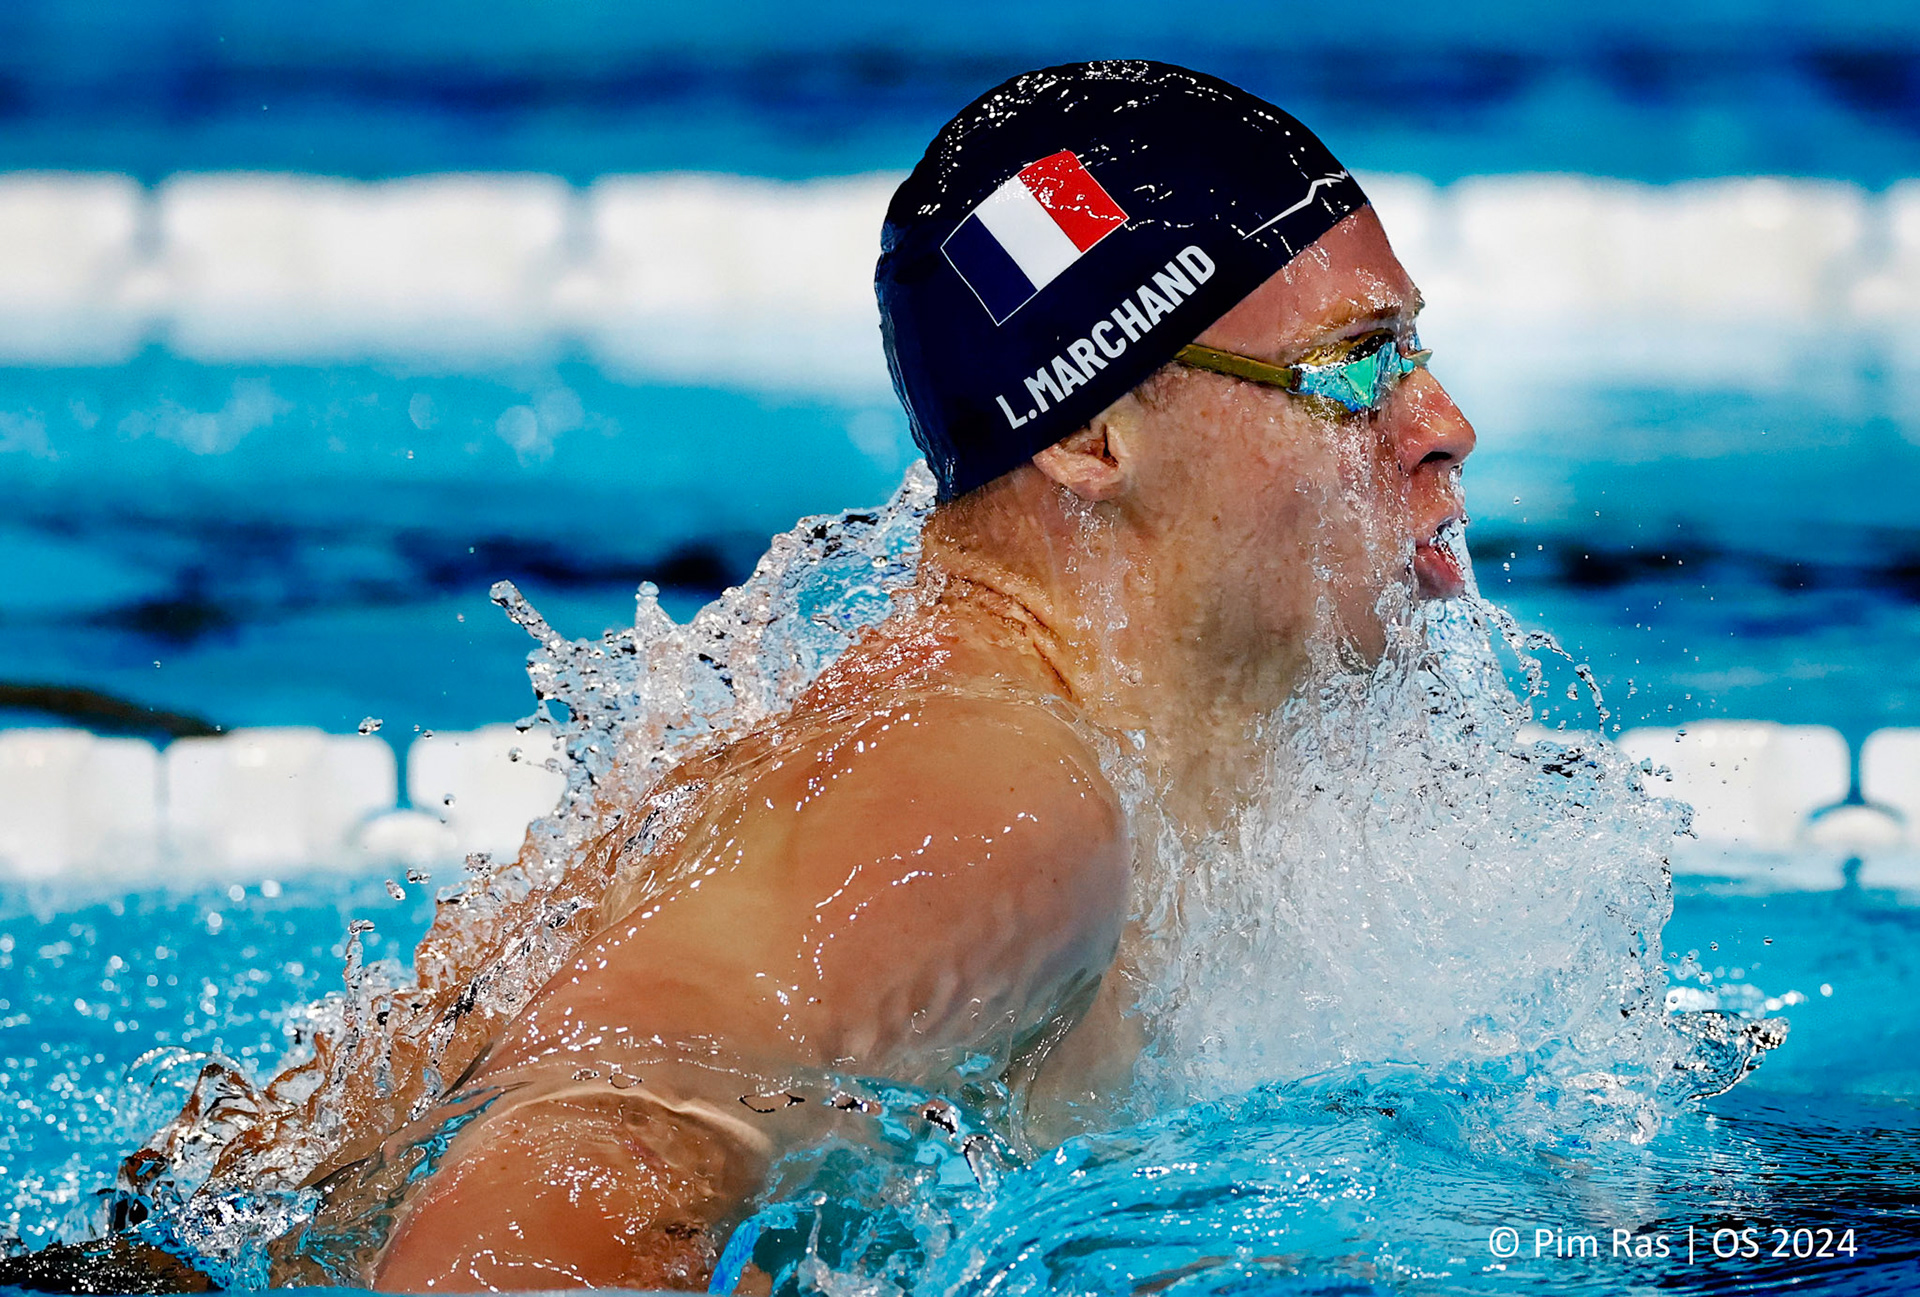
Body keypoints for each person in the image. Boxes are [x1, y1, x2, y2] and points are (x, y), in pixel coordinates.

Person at [0, 59, 1474, 1295]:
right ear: (1093, 438)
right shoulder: (998, 800)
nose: (1442, 421)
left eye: (1417, 350)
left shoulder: (1082, 759)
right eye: (1356, 367)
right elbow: (531, 1214)